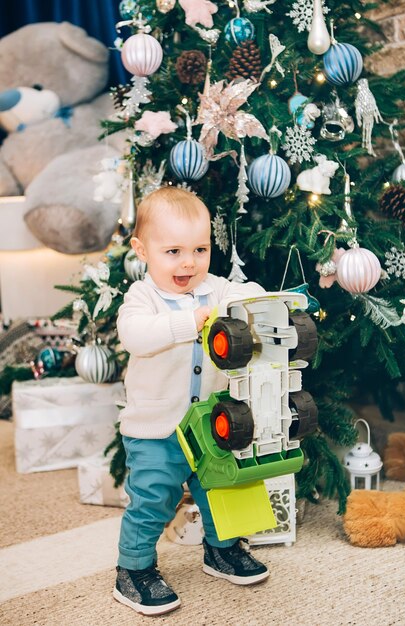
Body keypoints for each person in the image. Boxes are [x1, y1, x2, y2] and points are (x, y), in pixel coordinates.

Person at [114, 186, 269, 616]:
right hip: (157, 430)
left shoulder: (215, 290)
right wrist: (188, 322)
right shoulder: (141, 298)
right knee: (152, 500)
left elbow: (245, 294)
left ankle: (220, 550)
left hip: (212, 426)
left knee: (221, 488)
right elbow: (136, 337)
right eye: (174, 251)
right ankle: (134, 569)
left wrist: (257, 299)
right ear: (142, 250)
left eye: (200, 249)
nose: (189, 262)